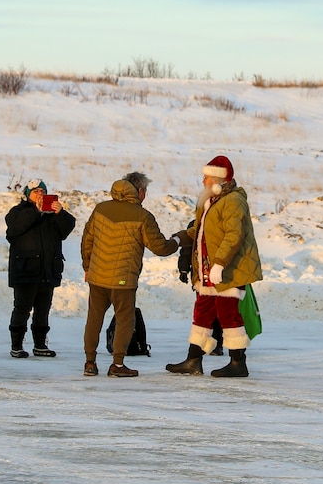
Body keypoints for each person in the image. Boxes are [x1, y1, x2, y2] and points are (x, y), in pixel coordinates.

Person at [167, 156, 263, 378]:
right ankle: (193, 359)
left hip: (228, 270)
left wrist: (219, 264)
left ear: (219, 179)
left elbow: (234, 236)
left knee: (228, 314)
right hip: (207, 271)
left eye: (206, 177)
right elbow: (200, 233)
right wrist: (180, 239)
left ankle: (238, 362)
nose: (203, 181)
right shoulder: (211, 201)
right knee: (202, 312)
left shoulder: (233, 201)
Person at [80, 171, 179, 377]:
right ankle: (117, 364)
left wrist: (88, 267)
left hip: (97, 277)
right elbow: (160, 247)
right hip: (123, 280)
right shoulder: (142, 216)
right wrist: (178, 241)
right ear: (139, 191)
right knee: (125, 319)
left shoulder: (100, 209)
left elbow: (87, 240)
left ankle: (90, 362)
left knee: (94, 317)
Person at [4, 179, 76, 359]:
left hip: (47, 270)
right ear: (27, 195)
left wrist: (61, 213)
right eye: (35, 191)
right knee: (22, 308)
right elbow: (14, 228)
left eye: (43, 191)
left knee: (43, 309)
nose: (40, 195)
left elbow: (66, 230)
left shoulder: (52, 215)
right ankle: (17, 345)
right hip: (26, 270)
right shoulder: (17, 212)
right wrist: (36, 210)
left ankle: (40, 344)